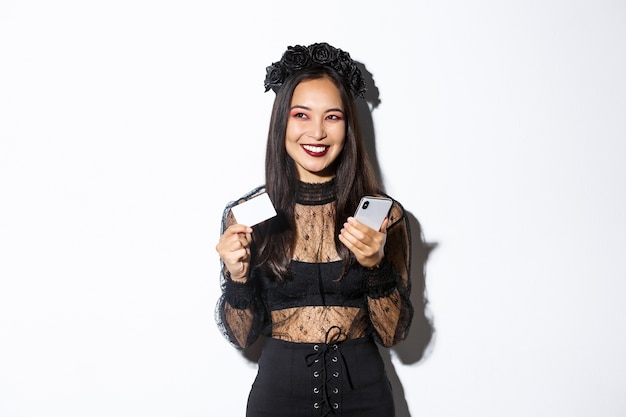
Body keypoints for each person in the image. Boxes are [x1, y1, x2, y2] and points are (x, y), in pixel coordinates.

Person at [215, 42, 413, 417]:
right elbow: (242, 336)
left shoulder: (382, 216)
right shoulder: (248, 217)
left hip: (366, 400)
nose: (317, 132)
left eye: (332, 117)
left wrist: (375, 265)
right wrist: (238, 278)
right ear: (282, 123)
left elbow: (392, 335)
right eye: (302, 115)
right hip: (277, 400)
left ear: (348, 125)